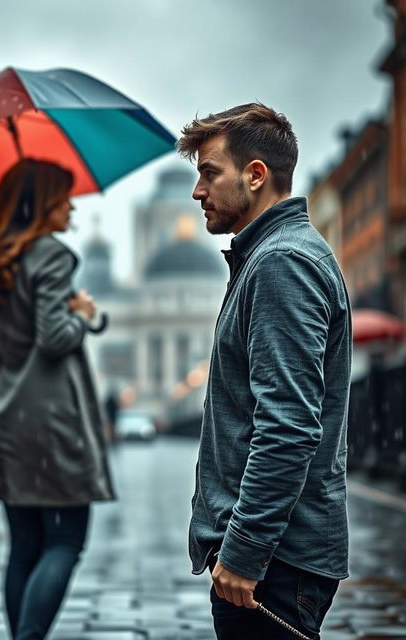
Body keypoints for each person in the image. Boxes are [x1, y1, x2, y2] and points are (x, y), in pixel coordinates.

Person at [177, 103, 351, 640]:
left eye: (209, 173)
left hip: (273, 560)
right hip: (278, 555)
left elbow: (288, 426)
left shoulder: (281, 264)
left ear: (255, 175)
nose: (197, 192)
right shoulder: (270, 257)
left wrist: (246, 551)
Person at [0, 158, 115, 640]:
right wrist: (85, 315)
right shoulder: (51, 255)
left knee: (24, 545)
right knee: (66, 540)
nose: (71, 206)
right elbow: (52, 338)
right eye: (63, 197)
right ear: (41, 202)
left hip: (6, 417)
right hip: (51, 420)